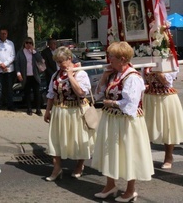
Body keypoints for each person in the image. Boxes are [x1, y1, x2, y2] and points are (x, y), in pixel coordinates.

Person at [92, 41, 153, 202]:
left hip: (127, 122)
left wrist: (111, 103)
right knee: (110, 152)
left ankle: (131, 189)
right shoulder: (113, 74)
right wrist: (104, 76)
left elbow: (130, 105)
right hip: (112, 119)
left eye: (111, 56)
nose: (109, 59)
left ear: (123, 59)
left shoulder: (133, 77)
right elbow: (97, 95)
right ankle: (110, 185)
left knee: (128, 152)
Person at [43, 46, 95, 181]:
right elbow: (51, 94)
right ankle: (57, 167)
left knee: (78, 139)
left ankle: (80, 165)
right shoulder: (56, 75)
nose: (60, 65)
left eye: (62, 61)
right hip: (59, 111)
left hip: (75, 111)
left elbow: (81, 92)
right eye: (58, 62)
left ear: (69, 58)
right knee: (56, 139)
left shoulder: (80, 73)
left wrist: (71, 76)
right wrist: (47, 111)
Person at [143, 67, 183, 169]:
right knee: (147, 128)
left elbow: (167, 82)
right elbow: (144, 79)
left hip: (166, 97)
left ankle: (168, 157)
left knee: (168, 126)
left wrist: (159, 73)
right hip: (150, 98)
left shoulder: (169, 63)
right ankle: (144, 158)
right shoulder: (147, 62)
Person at [15, 37, 45, 116]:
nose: (28, 45)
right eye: (27, 43)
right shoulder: (20, 53)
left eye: (30, 43)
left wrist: (34, 52)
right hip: (26, 76)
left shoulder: (35, 52)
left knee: (37, 93)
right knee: (27, 93)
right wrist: (18, 73)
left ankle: (38, 109)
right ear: (24, 44)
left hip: (34, 75)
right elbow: (17, 63)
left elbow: (40, 60)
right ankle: (29, 109)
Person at [0, 27, 16, 111]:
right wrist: (0, 64)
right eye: (2, 33)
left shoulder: (10, 43)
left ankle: (10, 105)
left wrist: (5, 64)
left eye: (5, 33)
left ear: (7, 34)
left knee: (9, 87)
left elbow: (12, 55)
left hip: (8, 69)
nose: (3, 35)